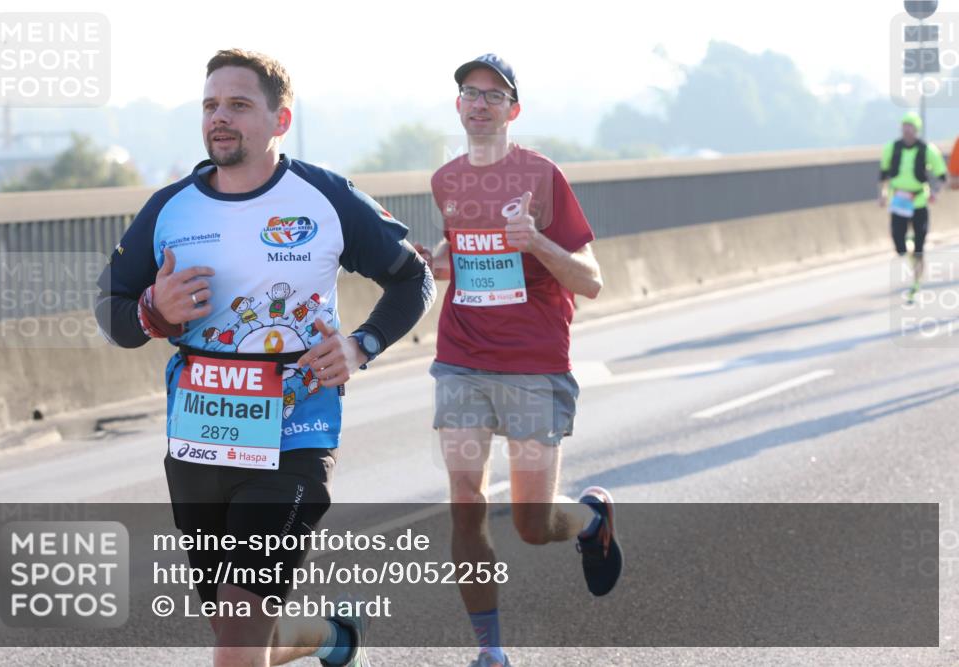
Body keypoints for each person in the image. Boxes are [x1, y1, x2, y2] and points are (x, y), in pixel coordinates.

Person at [95, 49, 435, 667]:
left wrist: (361, 345)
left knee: (241, 635)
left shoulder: (325, 197)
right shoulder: (171, 209)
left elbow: (414, 279)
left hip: (295, 434)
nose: (219, 118)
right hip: (200, 439)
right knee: (238, 635)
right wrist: (153, 309)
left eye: (239, 105)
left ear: (280, 120)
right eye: (210, 106)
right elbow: (111, 311)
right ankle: (326, 638)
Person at [414, 54, 622, 667]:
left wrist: (536, 241)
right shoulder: (446, 180)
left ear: (513, 109)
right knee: (466, 500)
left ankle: (589, 521)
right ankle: (490, 651)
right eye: (468, 94)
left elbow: (591, 281)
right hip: (461, 356)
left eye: (493, 95)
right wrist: (441, 263)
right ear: (458, 106)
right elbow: (468, 256)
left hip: (534, 362)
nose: (479, 104)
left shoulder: (542, 176)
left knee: (532, 523)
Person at [878, 111, 948, 300]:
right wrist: (883, 195)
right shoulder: (892, 148)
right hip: (899, 200)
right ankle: (908, 249)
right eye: (904, 127)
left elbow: (941, 175)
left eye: (911, 127)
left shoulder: (927, 150)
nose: (907, 131)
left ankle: (916, 283)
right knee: (899, 243)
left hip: (918, 201)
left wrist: (935, 192)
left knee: (919, 246)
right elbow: (883, 174)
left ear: (916, 130)